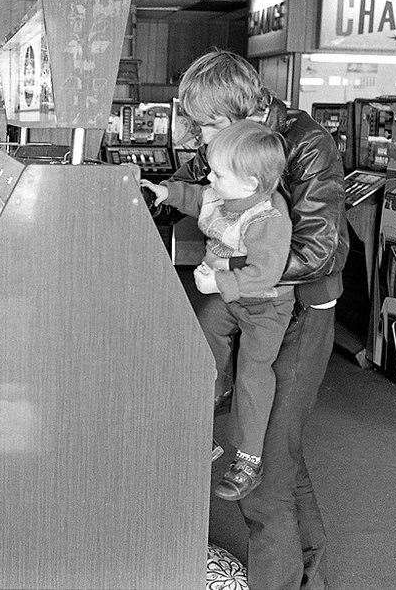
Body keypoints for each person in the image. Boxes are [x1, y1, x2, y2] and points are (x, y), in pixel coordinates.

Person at [160, 49, 348, 589]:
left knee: (264, 466)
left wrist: (234, 272)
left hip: (299, 312)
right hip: (248, 304)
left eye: (209, 126)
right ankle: (309, 574)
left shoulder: (307, 143)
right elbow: (196, 183)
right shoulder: (227, 141)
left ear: (244, 111)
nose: (202, 140)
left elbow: (321, 251)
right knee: (277, 446)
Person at [142, 119, 292, 502]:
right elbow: (196, 198)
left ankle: (248, 459)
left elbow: (266, 273)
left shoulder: (268, 220)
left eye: (218, 173)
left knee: (254, 373)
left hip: (265, 304)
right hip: (230, 297)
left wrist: (219, 284)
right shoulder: (222, 193)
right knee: (201, 344)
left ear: (251, 185)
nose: (209, 177)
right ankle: (204, 413)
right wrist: (166, 191)